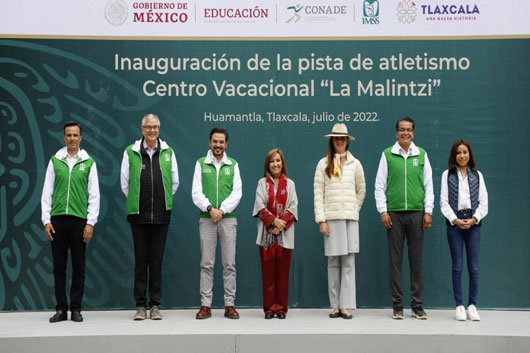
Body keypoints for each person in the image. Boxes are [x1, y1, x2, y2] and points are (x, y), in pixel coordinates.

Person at [120, 114, 179, 321]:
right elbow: (125, 184)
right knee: (140, 260)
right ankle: (139, 306)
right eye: (148, 127)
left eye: (155, 127)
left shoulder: (168, 152)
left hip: (161, 216)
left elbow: (174, 183)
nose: (152, 130)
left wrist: (161, 202)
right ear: (142, 129)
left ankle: (155, 305)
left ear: (159, 129)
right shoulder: (131, 152)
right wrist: (138, 202)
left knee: (156, 261)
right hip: (138, 215)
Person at [374, 116, 434, 320]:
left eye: (409, 129)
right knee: (395, 261)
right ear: (396, 133)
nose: (405, 133)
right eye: (402, 130)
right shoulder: (387, 155)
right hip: (394, 215)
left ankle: (417, 306)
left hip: (417, 214)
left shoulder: (422, 155)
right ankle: (397, 305)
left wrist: (428, 211)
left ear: (413, 133)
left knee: (416, 262)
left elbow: (429, 186)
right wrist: (383, 211)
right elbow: (379, 186)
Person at [41, 121, 100, 323]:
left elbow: (94, 196)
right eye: (69, 135)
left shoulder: (88, 162)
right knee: (59, 267)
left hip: (78, 221)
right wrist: (46, 220)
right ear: (64, 137)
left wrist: (90, 222)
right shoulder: (55, 160)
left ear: (81, 138)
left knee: (79, 267)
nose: (72, 139)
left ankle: (76, 309)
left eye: (75, 135)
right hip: (57, 220)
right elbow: (46, 192)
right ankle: (61, 309)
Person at [314, 123, 366, 319]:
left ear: (347, 141)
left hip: (350, 218)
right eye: (336, 138)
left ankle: (345, 306)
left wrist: (353, 208)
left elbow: (361, 189)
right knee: (334, 262)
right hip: (332, 218)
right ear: (332, 141)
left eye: (343, 138)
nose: (340, 141)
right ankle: (335, 305)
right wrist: (322, 220)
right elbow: (318, 193)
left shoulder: (355, 164)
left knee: (348, 262)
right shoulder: (323, 164)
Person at [192, 127, 242, 319]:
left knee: (229, 264)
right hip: (207, 219)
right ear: (209, 142)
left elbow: (237, 192)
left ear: (226, 144)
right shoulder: (200, 164)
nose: (218, 145)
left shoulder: (233, 165)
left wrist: (222, 210)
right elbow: (196, 192)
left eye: (221, 142)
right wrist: (210, 208)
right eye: (215, 141)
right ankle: (206, 305)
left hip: (228, 219)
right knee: (207, 264)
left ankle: (229, 305)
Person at [440, 140, 488, 321]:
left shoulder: (477, 175)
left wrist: (475, 218)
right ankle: (459, 305)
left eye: (465, 152)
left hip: (474, 223)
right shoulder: (447, 175)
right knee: (457, 267)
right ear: (454, 156)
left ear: (470, 155)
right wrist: (455, 220)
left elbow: (484, 202)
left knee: (474, 267)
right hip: (455, 224)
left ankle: (472, 306)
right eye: (459, 153)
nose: (462, 156)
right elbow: (443, 202)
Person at [253, 149, 298, 319]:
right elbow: (259, 205)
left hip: (285, 236)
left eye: (278, 160)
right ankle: (269, 308)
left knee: (283, 273)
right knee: (268, 273)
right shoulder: (261, 184)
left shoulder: (291, 184)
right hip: (267, 235)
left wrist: (281, 224)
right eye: (272, 161)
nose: (275, 164)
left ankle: (281, 308)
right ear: (268, 165)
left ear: (282, 163)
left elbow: (293, 207)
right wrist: (273, 222)